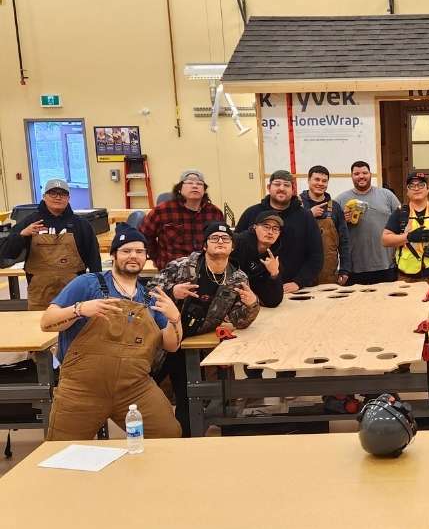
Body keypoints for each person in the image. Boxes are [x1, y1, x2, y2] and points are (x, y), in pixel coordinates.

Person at [40, 224, 182, 440]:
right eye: (126, 251)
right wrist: (79, 309)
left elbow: (171, 345)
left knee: (169, 434)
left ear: (146, 257)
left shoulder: (151, 297)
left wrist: (175, 319)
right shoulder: (87, 284)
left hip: (134, 388)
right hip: (81, 389)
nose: (133, 256)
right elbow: (47, 322)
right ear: (114, 255)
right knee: (62, 449)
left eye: (139, 251)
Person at [150, 221, 261, 435]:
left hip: (190, 345)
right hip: (162, 339)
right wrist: (173, 292)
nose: (220, 242)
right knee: (145, 388)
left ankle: (187, 441)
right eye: (214, 238)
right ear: (204, 245)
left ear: (232, 247)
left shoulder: (237, 278)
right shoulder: (181, 267)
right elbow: (146, 294)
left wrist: (252, 304)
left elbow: (240, 321)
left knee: (188, 398)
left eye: (225, 239)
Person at [1, 179, 101, 310]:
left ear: (68, 198)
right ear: (44, 197)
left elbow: (94, 259)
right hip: (39, 295)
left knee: (75, 328)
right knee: (38, 329)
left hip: (74, 294)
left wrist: (98, 289)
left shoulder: (81, 225)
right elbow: (7, 253)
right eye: (52, 193)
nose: (58, 197)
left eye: (62, 194)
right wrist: (22, 235)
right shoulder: (30, 222)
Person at [236, 170, 323, 293]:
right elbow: (235, 252)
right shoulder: (251, 213)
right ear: (268, 187)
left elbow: (316, 255)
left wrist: (299, 282)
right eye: (277, 184)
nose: (282, 188)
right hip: (254, 291)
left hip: (295, 290)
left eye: (287, 185)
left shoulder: (306, 217)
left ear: (293, 190)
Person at [139, 170, 224, 269]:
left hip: (206, 270)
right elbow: (144, 236)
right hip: (172, 272)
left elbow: (221, 240)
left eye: (199, 184)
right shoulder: (162, 211)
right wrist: (156, 258)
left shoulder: (214, 213)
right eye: (189, 183)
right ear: (179, 188)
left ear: (204, 190)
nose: (195, 186)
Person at [335, 161, 402, 285]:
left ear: (370, 174)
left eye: (365, 173)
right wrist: (343, 221)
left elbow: (402, 221)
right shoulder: (341, 199)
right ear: (351, 176)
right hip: (354, 268)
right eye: (356, 173)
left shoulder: (387, 196)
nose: (361, 176)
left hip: (386, 265)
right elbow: (332, 233)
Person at [299, 165, 351, 285]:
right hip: (300, 273)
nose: (320, 183)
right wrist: (309, 214)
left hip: (328, 273)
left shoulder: (335, 207)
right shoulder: (296, 204)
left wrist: (344, 270)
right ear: (308, 180)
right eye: (316, 179)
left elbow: (344, 241)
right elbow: (288, 232)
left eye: (324, 181)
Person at [232, 211, 285, 308]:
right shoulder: (238, 243)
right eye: (266, 226)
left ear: (279, 233)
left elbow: (273, 301)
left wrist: (274, 274)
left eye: (275, 229)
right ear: (255, 227)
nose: (270, 232)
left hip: (249, 306)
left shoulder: (273, 257)